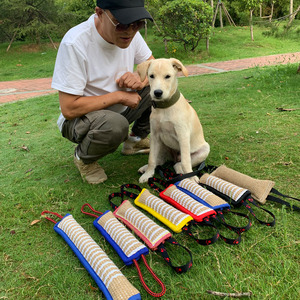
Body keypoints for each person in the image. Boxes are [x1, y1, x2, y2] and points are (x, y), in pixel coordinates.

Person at [52, 0, 154, 184]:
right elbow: (69, 108)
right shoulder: (75, 42)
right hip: (79, 120)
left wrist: (141, 79)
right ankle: (84, 159)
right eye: (121, 23)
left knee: (159, 87)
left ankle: (135, 140)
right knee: (115, 125)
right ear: (99, 13)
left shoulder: (131, 35)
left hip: (121, 111)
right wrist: (119, 96)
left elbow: (155, 67)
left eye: (138, 23)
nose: (130, 31)